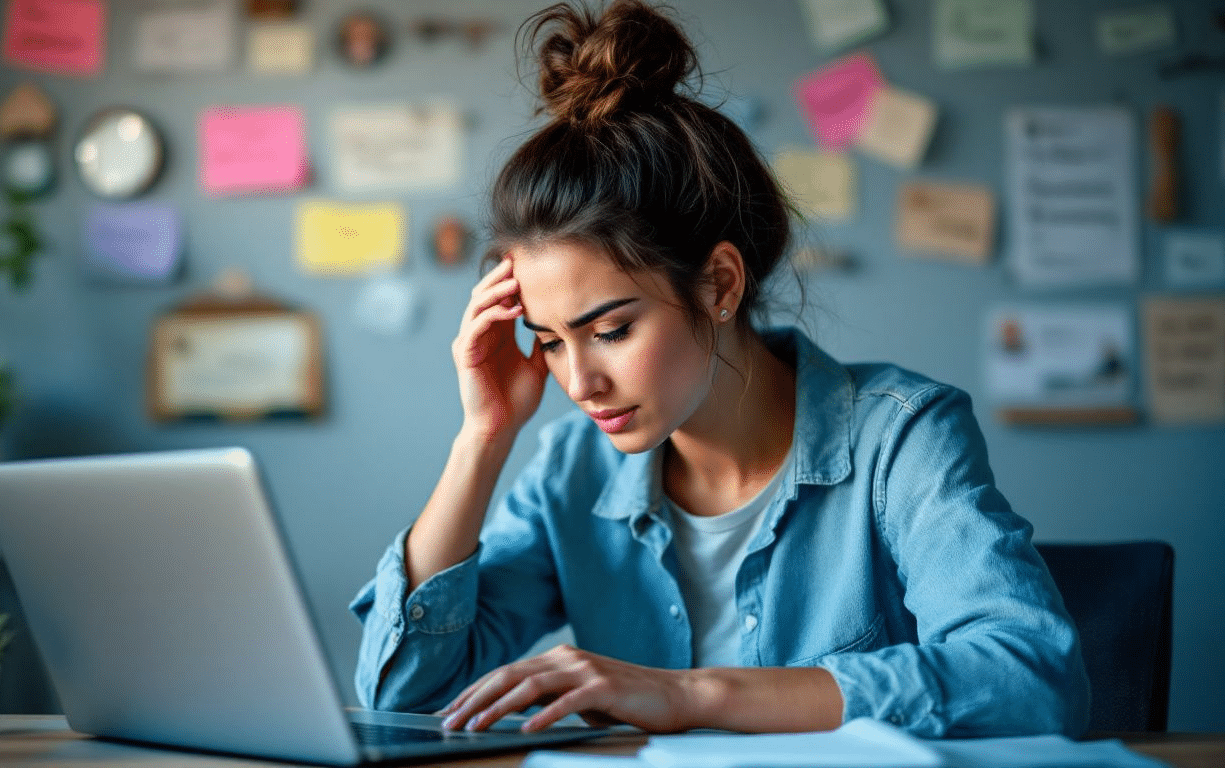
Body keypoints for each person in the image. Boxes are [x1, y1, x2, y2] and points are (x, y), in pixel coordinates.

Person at [351, 0, 1089, 738]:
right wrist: (482, 438)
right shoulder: (571, 471)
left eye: (610, 329)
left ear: (721, 285)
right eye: (547, 340)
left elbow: (1033, 678)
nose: (579, 384)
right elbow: (401, 696)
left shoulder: (900, 438)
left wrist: (693, 696)